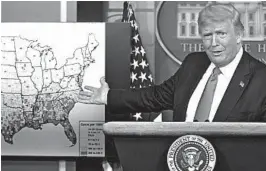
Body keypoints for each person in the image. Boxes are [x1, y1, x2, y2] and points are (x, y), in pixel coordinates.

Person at [78, 2, 266, 122]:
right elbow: (155, 96)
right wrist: (108, 96)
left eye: (221, 34)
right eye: (207, 35)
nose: (214, 43)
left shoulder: (261, 79)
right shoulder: (194, 64)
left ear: (239, 35)